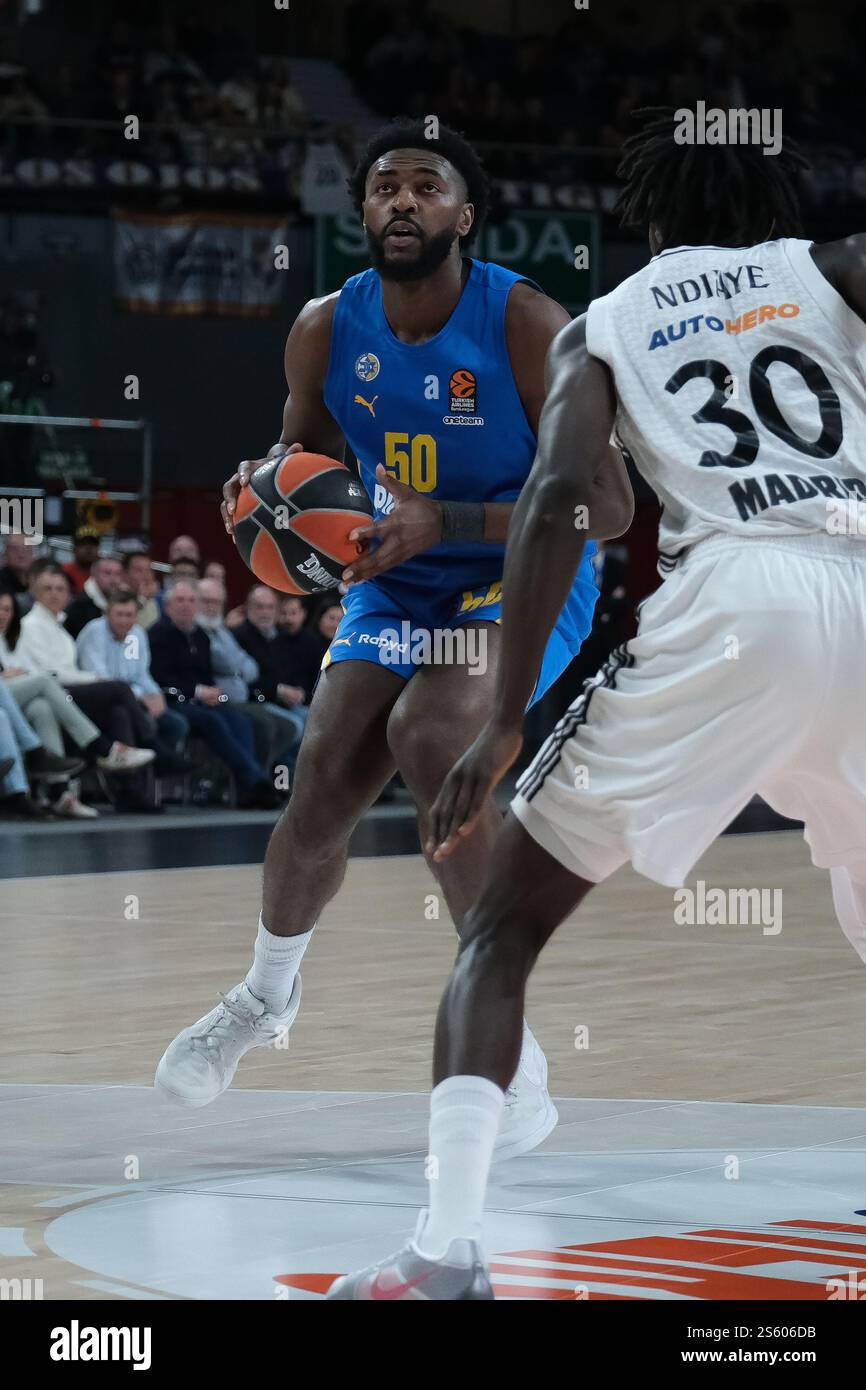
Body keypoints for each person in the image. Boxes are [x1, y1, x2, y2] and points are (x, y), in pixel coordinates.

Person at [326, 110, 866, 1297]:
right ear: (777, 197)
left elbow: (558, 495)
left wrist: (508, 711)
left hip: (735, 600)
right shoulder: (831, 269)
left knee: (500, 928)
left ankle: (444, 1251)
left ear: (648, 207)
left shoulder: (604, 324)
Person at [154, 118, 632, 1159]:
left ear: (465, 214)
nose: (402, 202)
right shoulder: (326, 327)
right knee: (320, 776)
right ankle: (260, 999)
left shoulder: (525, 323)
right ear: (361, 209)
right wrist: (262, 494)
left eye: (426, 186)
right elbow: (304, 461)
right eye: (384, 187)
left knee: (433, 730)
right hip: (396, 580)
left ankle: (510, 1044)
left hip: (522, 574)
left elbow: (606, 508)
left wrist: (445, 522)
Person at [147, 580, 281, 809]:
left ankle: (246, 788)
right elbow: (160, 678)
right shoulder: (158, 634)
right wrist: (199, 691)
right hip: (173, 700)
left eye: (191, 601)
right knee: (213, 721)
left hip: (202, 701)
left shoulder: (201, 636)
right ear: (168, 606)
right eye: (180, 600)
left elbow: (206, 675)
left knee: (242, 721)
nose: (186, 606)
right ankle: (254, 780)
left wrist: (212, 693)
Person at [19, 563, 157, 778]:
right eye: (48, 588)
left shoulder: (59, 628)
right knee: (118, 688)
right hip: (56, 693)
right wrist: (93, 678)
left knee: (118, 712)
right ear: (36, 593)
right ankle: (152, 744)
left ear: (68, 595)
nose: (54, 594)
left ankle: (132, 791)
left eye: (60, 589)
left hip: (67, 695)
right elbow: (51, 674)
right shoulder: (30, 626)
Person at [76, 591, 190, 804]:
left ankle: (138, 787)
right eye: (119, 614)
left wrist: (155, 693)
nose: (124, 620)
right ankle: (154, 752)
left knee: (176, 725)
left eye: (129, 615)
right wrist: (140, 697)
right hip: (92, 701)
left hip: (129, 704)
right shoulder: (94, 632)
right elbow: (102, 679)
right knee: (128, 714)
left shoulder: (137, 634)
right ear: (107, 614)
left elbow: (141, 674)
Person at [0, 584, 100, 818]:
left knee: (40, 708)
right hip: (10, 694)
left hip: (13, 705)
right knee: (43, 683)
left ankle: (53, 791)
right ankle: (95, 746)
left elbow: (29, 671)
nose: (3, 614)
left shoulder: (14, 640)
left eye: (7, 609)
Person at [196, 578, 300, 779]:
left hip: (245, 698)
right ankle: (259, 778)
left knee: (300, 723)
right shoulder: (231, 632)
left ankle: (275, 780)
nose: (212, 607)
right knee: (272, 724)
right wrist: (238, 668)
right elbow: (225, 662)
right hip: (228, 699)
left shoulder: (222, 631)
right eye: (206, 601)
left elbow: (251, 668)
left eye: (217, 602)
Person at [233, 585, 309, 762]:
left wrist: (298, 691)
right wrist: (279, 690)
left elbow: (292, 671)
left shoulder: (281, 637)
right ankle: (271, 774)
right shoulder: (239, 636)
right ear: (248, 609)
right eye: (259, 607)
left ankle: (289, 776)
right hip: (257, 700)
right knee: (295, 726)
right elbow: (246, 680)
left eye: (270, 607)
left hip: (284, 702)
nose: (265, 612)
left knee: (315, 722)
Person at [64, 554, 124, 639]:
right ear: (94, 574)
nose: (114, 579)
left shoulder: (121, 601)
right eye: (107, 573)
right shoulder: (80, 607)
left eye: (118, 574)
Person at [122, 550, 160, 629]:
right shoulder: (117, 596)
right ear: (125, 574)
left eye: (149, 570)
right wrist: (142, 599)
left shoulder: (152, 598)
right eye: (139, 570)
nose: (146, 575)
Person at [0, 533, 37, 612]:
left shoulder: (38, 581)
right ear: (5, 554)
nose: (21, 554)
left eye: (27, 548)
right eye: (14, 549)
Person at [61, 528, 100, 595]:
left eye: (93, 544)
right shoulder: (64, 571)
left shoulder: (105, 572)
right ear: (74, 549)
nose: (89, 548)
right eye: (83, 543)